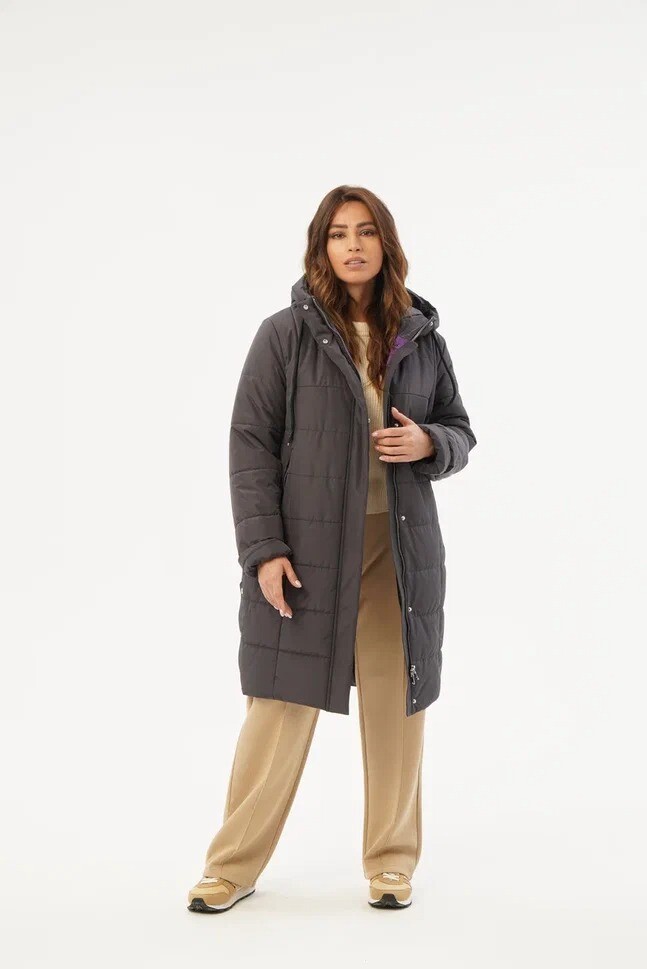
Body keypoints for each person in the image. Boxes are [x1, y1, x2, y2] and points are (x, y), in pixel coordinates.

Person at [187, 185, 477, 913]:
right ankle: (231, 865)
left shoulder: (420, 336)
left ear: (386, 244)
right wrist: (264, 549)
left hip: (398, 551)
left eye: (366, 231)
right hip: (308, 553)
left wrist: (429, 443)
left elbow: (459, 430)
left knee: (395, 705)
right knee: (279, 707)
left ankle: (391, 862)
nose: (353, 245)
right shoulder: (284, 335)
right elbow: (249, 446)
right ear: (321, 247)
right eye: (338, 233)